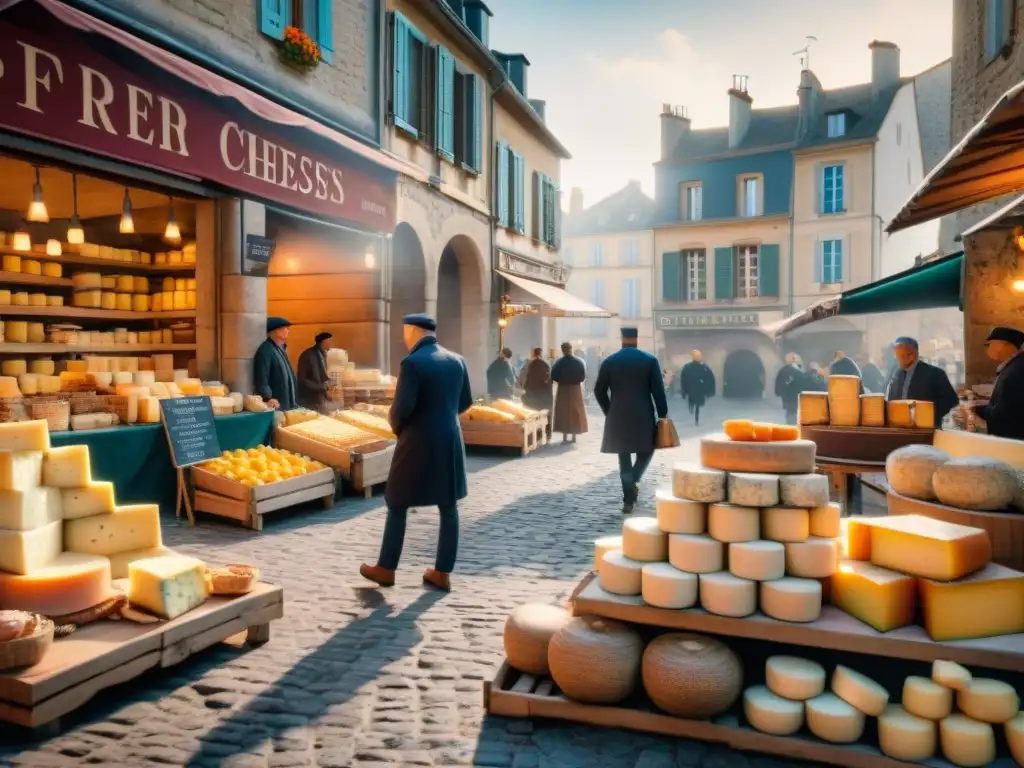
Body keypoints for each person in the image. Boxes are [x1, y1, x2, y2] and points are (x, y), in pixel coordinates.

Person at [360, 314, 472, 592]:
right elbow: (465, 402)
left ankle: (386, 568)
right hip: (450, 438)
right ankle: (442, 572)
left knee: (397, 502)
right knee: (449, 507)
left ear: (412, 331)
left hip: (417, 440)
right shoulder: (457, 360)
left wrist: (399, 429)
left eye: (405, 332)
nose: (404, 337)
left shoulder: (412, 363)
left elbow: (401, 410)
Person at [594, 327, 669, 515]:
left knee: (624, 457)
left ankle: (628, 499)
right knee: (647, 451)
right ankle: (633, 481)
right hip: (643, 414)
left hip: (618, 415)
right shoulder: (650, 360)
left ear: (621, 338)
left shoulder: (610, 361)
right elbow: (658, 391)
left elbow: (598, 391)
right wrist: (663, 414)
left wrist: (609, 410)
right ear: (637, 339)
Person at [885, 336, 959, 425]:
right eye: (896, 355)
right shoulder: (897, 374)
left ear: (911, 355)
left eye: (900, 355)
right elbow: (892, 399)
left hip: (926, 429)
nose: (897, 359)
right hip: (900, 428)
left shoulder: (935, 374)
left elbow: (951, 400)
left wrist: (930, 414)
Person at [972, 327, 1024, 439]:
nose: (988, 349)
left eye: (990, 344)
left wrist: (977, 408)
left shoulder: (1015, 371)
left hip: (1012, 441)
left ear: (1003, 344)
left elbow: (1004, 415)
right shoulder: (1014, 366)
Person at [253, 316, 297, 411]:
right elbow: (262, 378)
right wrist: (268, 397)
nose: (287, 331)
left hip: (287, 403)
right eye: (284, 329)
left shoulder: (280, 349)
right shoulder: (266, 350)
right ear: (276, 331)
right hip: (276, 405)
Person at [550, 342, 588, 443]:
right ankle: (574, 436)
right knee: (575, 411)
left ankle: (565, 436)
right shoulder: (578, 362)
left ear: (562, 350)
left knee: (563, 412)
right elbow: (583, 376)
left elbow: (553, 376)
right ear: (571, 349)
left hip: (563, 389)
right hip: (575, 389)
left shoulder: (559, 362)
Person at [296, 331, 332, 412]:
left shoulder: (323, 354)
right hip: (309, 398)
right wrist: (320, 387)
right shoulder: (308, 355)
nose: (331, 343)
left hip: (319, 397)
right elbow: (302, 379)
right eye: (329, 341)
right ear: (324, 341)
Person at [679, 350, 715, 426]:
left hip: (696, 388)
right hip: (695, 388)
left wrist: (684, 390)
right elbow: (710, 378)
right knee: (696, 403)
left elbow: (709, 377)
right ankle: (695, 415)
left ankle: (695, 415)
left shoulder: (698, 366)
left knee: (696, 403)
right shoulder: (700, 367)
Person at [774, 353, 804, 424]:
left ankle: (791, 426)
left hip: (793, 395)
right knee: (791, 412)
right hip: (790, 395)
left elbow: (779, 382)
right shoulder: (786, 370)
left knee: (792, 412)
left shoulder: (797, 369)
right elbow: (780, 382)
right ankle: (791, 427)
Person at [521, 347, 553, 413]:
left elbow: (525, 380)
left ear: (534, 354)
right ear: (541, 355)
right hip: (543, 397)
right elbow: (548, 380)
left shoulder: (529, 365)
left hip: (532, 397)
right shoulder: (544, 365)